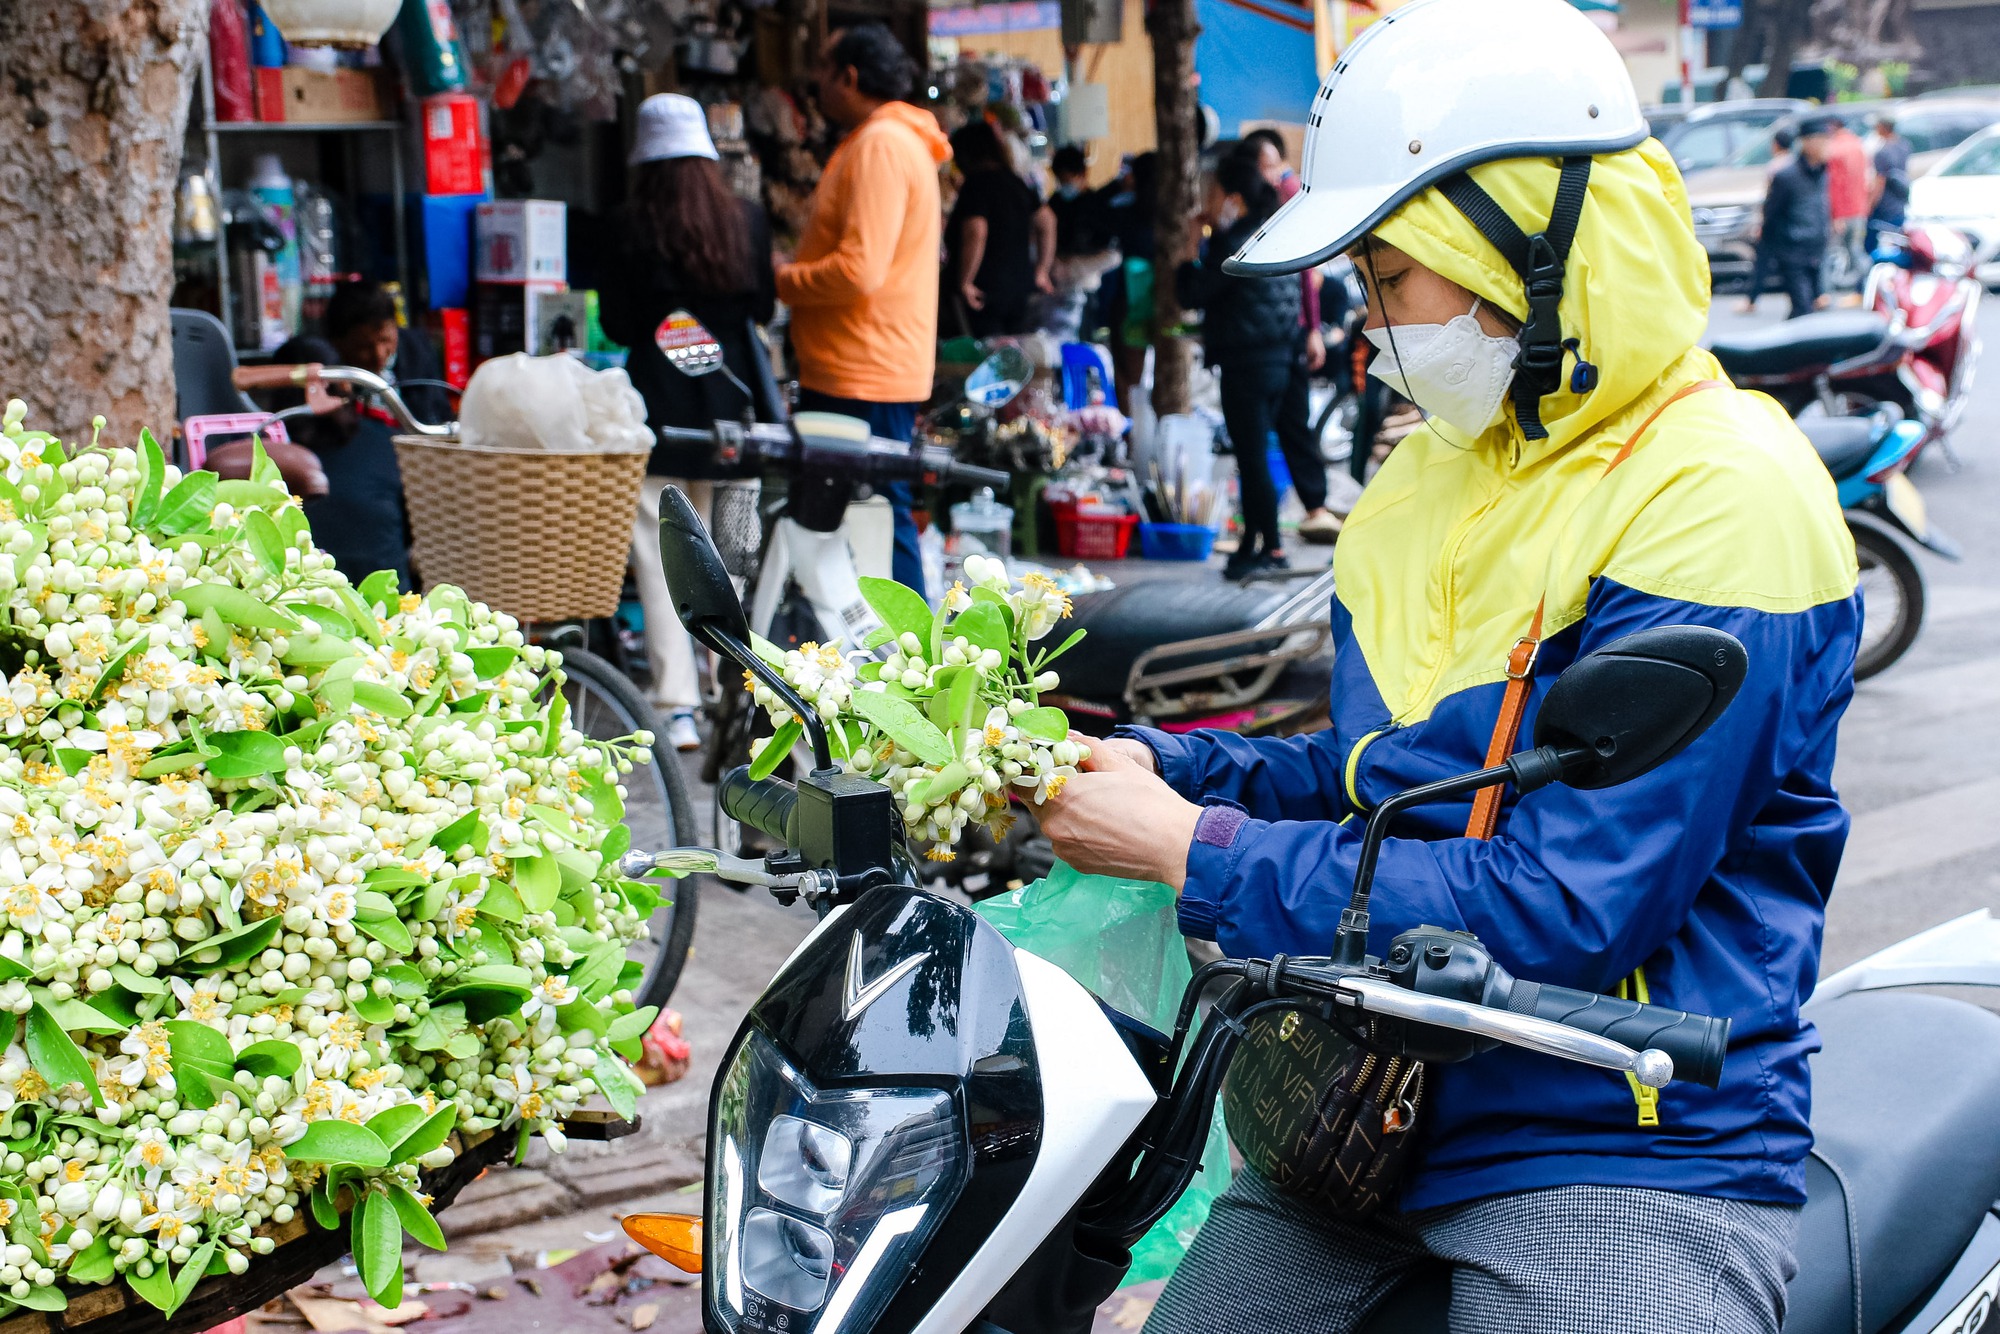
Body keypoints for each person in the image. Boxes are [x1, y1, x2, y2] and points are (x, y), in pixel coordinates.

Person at [1038, 0, 1859, 1328]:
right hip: (1360, 1112)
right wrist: (1165, 764)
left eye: (1389, 278)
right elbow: (1390, 778)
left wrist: (1196, 845)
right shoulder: (1428, 477)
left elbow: (1570, 902)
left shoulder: (1723, 494)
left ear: (1523, 245)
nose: (1371, 327)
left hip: (1613, 1129)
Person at [599, 92, 781, 754]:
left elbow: (618, 323)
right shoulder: (747, 221)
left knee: (658, 551)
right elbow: (761, 304)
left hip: (657, 406)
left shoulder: (623, 226)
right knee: (730, 554)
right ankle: (734, 687)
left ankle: (678, 704)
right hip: (731, 405)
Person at [776, 23, 948, 600]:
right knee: (861, 511)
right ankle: (881, 660)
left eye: (823, 73)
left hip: (862, 367)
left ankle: (914, 667)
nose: (815, 87)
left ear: (849, 77)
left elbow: (859, 269)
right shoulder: (883, 140)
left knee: (878, 509)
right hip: (861, 361)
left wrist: (786, 280)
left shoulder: (881, 144)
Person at [1175, 149, 1303, 581]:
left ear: (1232, 196)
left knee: (1251, 460)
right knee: (1256, 457)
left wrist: (1191, 246)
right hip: (1279, 361)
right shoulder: (1275, 234)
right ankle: (1256, 542)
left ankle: (1269, 548)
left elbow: (1192, 292)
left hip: (1247, 364)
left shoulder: (1235, 243)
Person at [1244, 127, 1339, 544]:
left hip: (1288, 337)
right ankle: (1296, 514)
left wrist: (1312, 330)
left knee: (1292, 423)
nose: (1274, 175)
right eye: (1264, 167)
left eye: (1274, 164)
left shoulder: (1287, 200)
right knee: (1273, 431)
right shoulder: (1253, 210)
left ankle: (1314, 506)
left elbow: (1306, 272)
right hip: (1275, 339)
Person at [944, 120, 1055, 337]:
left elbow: (976, 231)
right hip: (1019, 289)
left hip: (983, 293)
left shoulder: (977, 184)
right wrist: (1042, 270)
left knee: (981, 358)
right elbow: (1048, 221)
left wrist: (966, 281)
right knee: (1009, 359)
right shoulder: (1016, 181)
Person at [1748, 116, 1833, 319]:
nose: (1824, 146)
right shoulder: (1786, 176)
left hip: (1817, 247)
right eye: (1820, 140)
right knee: (1803, 307)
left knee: (1807, 308)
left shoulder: (1822, 173)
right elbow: (1772, 212)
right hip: (1793, 250)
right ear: (1806, 142)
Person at [1098, 151, 1159, 410]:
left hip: (1126, 302)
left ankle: (1132, 434)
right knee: (1160, 376)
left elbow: (1094, 206)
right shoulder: (1171, 216)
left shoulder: (1122, 212)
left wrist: (1117, 184)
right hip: (1161, 301)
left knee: (1128, 376)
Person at [1824, 117, 1871, 292]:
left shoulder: (1835, 149)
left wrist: (1837, 215)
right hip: (1859, 209)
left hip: (1843, 212)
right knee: (1855, 249)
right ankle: (1868, 286)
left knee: (1830, 254)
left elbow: (1836, 186)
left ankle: (1824, 293)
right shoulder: (1858, 145)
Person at [1867, 113, 1912, 254]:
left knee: (1875, 245)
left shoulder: (1882, 152)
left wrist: (1869, 206)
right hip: (1900, 200)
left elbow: (1879, 182)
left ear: (1883, 127)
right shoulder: (1904, 145)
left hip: (1885, 205)